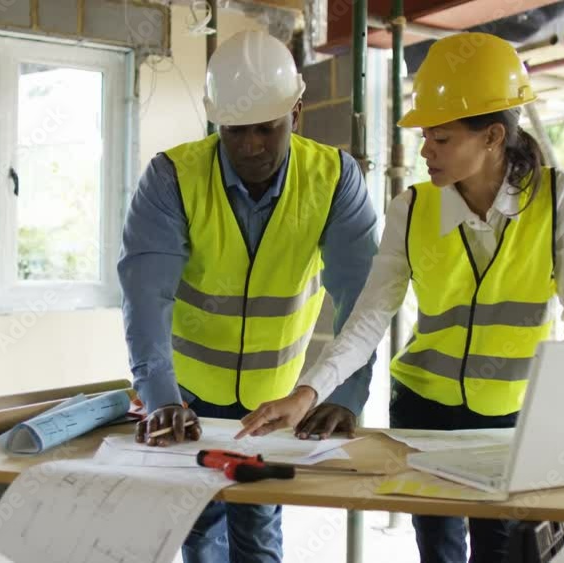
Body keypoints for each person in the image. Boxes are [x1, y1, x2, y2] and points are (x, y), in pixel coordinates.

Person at [238, 32, 564, 563]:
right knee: (438, 551)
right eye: (425, 137)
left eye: (442, 138)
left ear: (492, 137)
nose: (425, 151)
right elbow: (367, 320)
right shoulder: (410, 210)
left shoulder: (557, 198)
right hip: (423, 411)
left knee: (503, 552)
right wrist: (308, 392)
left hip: (512, 417)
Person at [117, 30, 378, 563]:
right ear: (216, 120)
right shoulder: (172, 179)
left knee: (257, 536)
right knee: (197, 533)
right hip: (188, 394)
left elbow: (363, 301)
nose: (252, 146)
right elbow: (146, 296)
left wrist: (344, 397)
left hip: (273, 401)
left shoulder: (334, 179)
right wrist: (161, 395)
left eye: (267, 128)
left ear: (296, 114)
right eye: (236, 131)